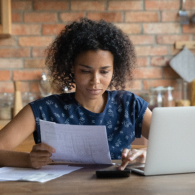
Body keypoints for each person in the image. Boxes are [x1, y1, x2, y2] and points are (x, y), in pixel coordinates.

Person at [0, 18, 152, 170]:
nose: (95, 80)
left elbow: (174, 145)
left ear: (114, 69)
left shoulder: (130, 105)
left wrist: (145, 152)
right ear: (71, 67)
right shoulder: (44, 109)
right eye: (85, 71)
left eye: (104, 71)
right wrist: (28, 159)